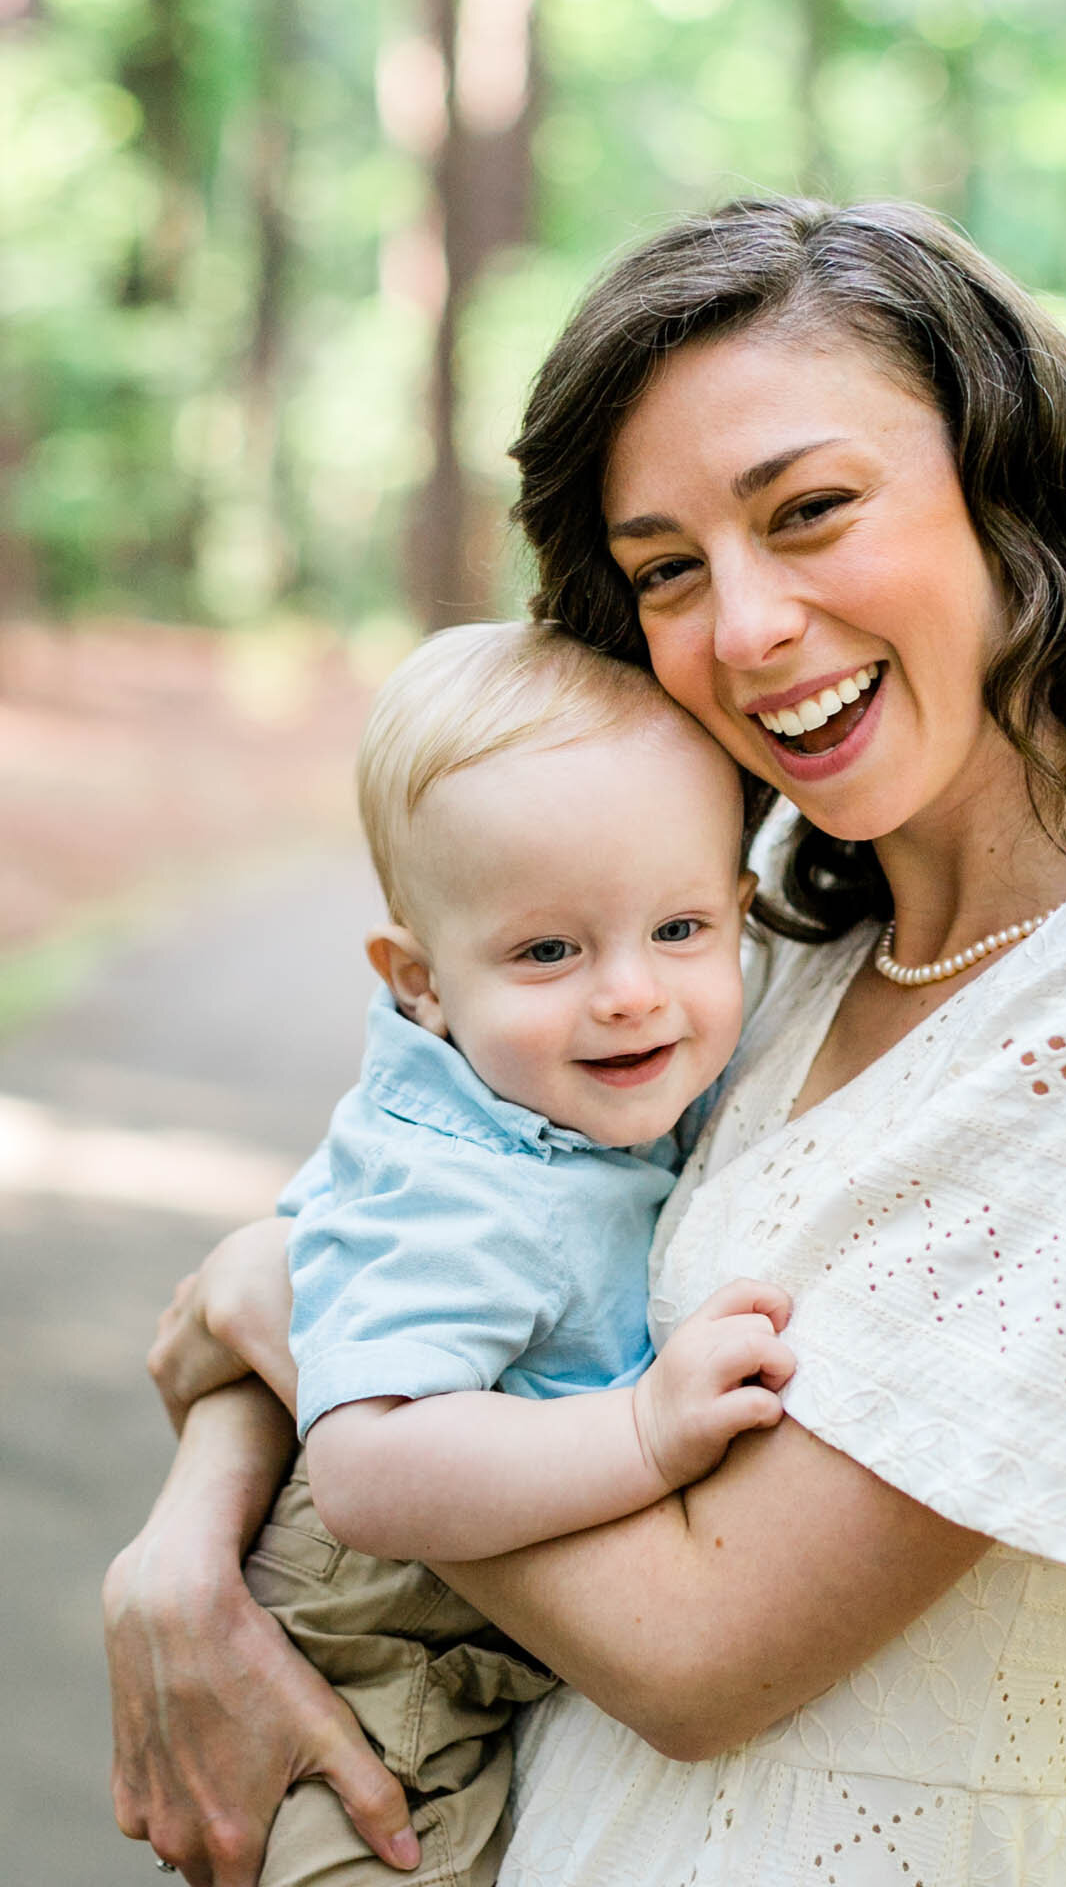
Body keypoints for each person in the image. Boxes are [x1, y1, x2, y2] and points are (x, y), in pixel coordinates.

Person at [105, 197, 1066, 1887]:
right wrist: (182, 1553)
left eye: (814, 509)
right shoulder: (758, 914)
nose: (748, 625)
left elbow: (702, 1651)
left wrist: (291, 1317)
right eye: (669, 570)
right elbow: (402, 1223)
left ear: (1006, 492)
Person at [168, 616, 791, 1887]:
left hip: (479, 1630)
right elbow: (368, 1465)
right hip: (374, 1657)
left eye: (679, 930)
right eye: (549, 950)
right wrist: (644, 1433)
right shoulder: (459, 1188)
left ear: (742, 914)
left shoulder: (560, 1089)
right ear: (422, 981)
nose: (629, 991)